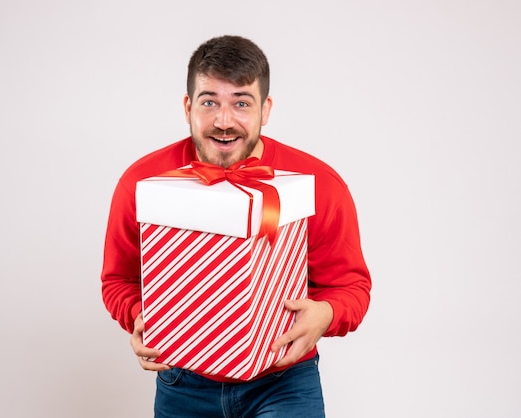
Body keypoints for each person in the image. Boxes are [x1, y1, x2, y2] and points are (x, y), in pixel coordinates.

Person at [101, 35, 371, 417]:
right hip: (183, 382)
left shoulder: (317, 184)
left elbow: (352, 287)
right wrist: (139, 315)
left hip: (284, 382)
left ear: (266, 110)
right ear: (187, 107)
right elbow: (118, 281)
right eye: (209, 102)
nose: (223, 121)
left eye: (241, 103)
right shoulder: (144, 183)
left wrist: (326, 314)